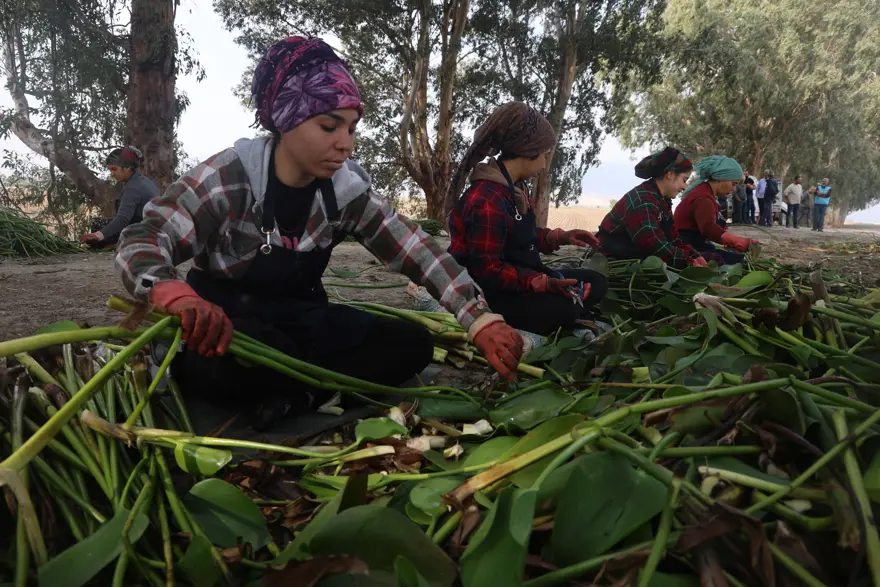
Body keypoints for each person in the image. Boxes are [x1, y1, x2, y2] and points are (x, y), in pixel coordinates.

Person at [115, 36, 524, 426]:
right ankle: (308, 389)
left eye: (352, 128)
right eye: (330, 127)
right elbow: (145, 237)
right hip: (227, 326)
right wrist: (175, 295)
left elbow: (416, 250)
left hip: (301, 321)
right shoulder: (228, 177)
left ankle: (296, 394)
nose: (345, 144)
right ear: (285, 119)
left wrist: (479, 319)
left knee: (412, 344)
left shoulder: (346, 192)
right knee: (230, 358)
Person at [447, 101, 607, 336]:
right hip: (489, 292)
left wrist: (560, 237)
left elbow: (520, 237)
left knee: (596, 282)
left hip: (522, 275)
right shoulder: (487, 199)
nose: (544, 164)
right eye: (544, 156)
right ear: (528, 152)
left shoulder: (516, 188)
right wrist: (539, 283)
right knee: (566, 308)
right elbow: (488, 270)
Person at [596, 147, 708, 269]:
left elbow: (673, 239)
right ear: (670, 174)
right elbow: (653, 245)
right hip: (612, 262)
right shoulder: (644, 200)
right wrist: (688, 261)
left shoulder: (662, 201)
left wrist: (695, 256)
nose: (685, 187)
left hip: (635, 258)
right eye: (684, 180)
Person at [672, 156, 760, 265]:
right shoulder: (703, 198)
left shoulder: (705, 192)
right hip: (688, 248)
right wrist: (736, 240)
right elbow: (708, 228)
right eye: (733, 184)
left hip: (695, 245)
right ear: (721, 178)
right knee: (738, 261)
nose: (734, 189)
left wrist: (727, 240)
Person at [80, 146, 160, 248]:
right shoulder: (146, 181)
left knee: (98, 225)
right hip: (152, 229)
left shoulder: (133, 187)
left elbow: (122, 219)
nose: (112, 174)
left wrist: (98, 235)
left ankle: (113, 245)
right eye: (110, 170)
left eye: (114, 169)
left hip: (141, 232)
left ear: (127, 168)